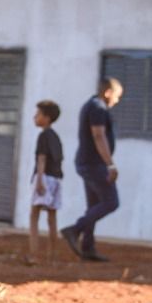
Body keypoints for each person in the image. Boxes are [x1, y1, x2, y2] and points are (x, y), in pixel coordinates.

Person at [61, 77, 124, 261]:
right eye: (117, 96)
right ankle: (75, 230)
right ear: (108, 93)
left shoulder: (91, 105)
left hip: (87, 162)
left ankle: (88, 247)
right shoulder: (98, 107)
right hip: (94, 164)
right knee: (111, 202)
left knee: (94, 207)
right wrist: (110, 164)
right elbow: (98, 135)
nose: (117, 101)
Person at [26, 99, 63, 264]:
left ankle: (34, 255)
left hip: (44, 178)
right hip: (56, 179)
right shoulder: (56, 137)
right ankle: (52, 256)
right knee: (52, 217)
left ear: (47, 118)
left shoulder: (43, 136)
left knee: (34, 216)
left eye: (38, 114)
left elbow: (42, 158)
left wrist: (39, 180)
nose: (35, 117)